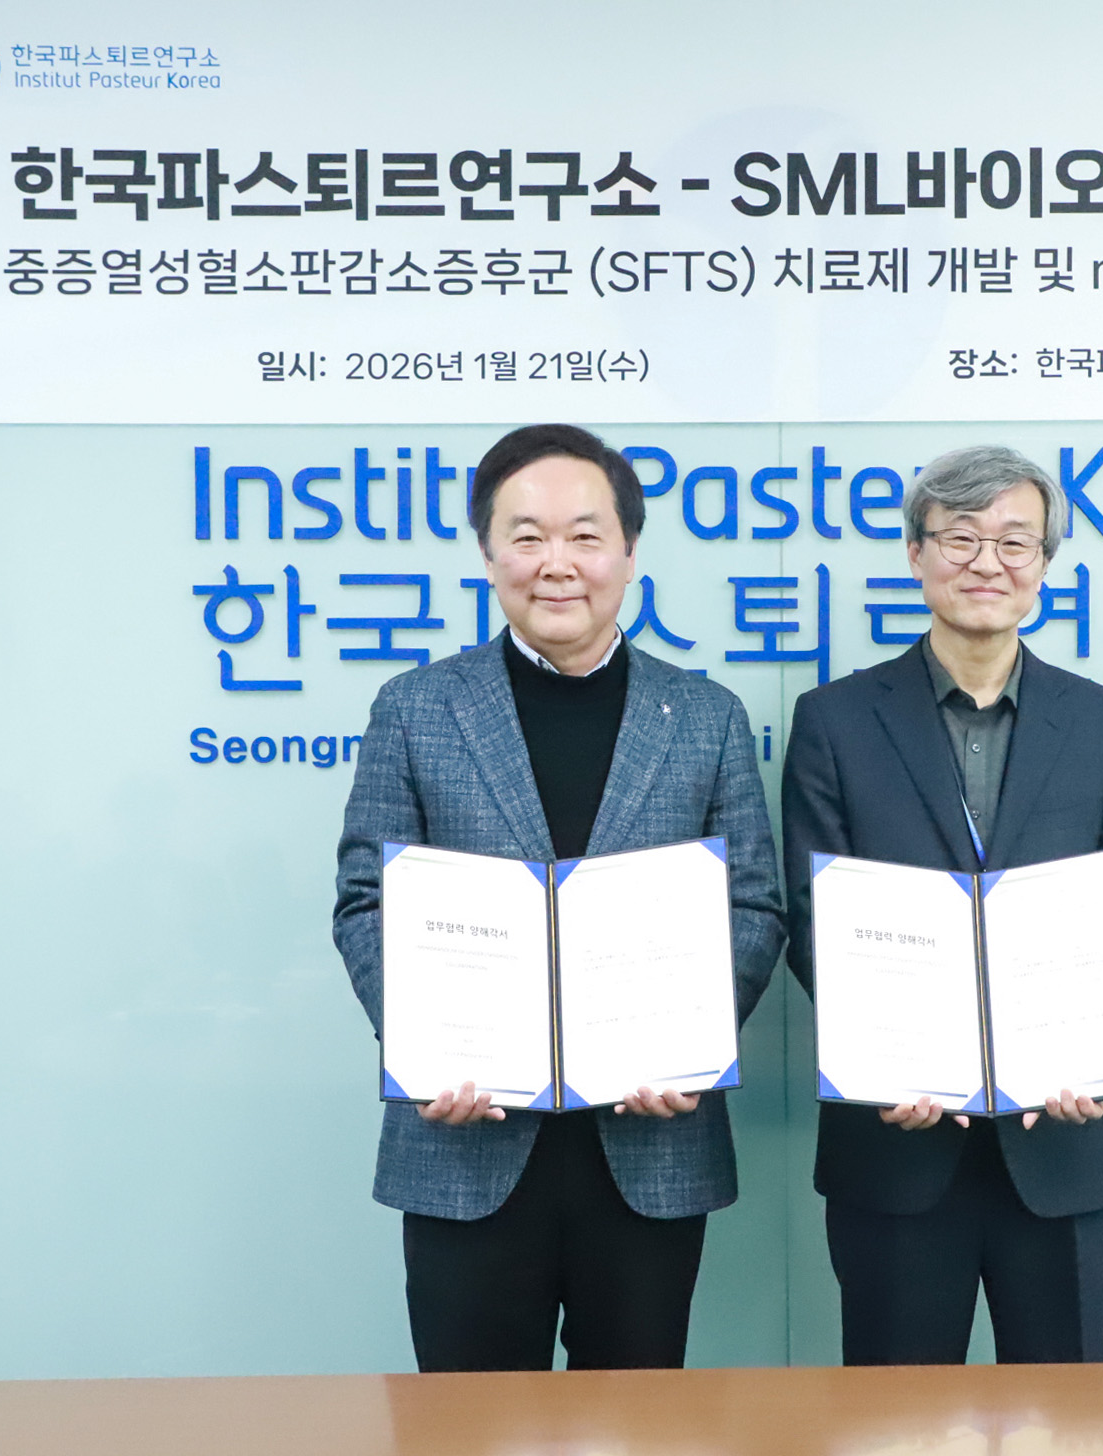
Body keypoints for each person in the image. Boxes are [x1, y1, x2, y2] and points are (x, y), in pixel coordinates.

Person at [333, 423, 784, 1372]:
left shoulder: (706, 717)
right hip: (463, 1146)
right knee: (468, 1428)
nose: (557, 564)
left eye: (585, 536)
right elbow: (366, 901)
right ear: (488, 553)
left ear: (629, 551)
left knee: (641, 1425)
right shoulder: (415, 708)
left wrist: (692, 1041)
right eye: (527, 536)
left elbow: (753, 907)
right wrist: (425, 1046)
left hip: (651, 1144)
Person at [781, 443, 1103, 1366]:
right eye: (960, 538)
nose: (986, 562)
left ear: (1044, 563)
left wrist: (1088, 1049)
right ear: (917, 553)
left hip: (1064, 1144)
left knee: (1069, 1418)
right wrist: (888, 1057)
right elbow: (812, 917)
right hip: (894, 1145)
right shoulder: (836, 721)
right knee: (893, 1420)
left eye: (1013, 541)